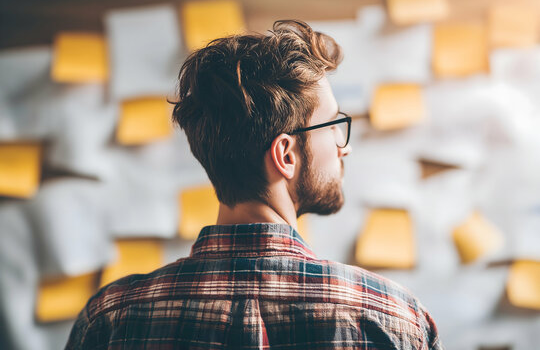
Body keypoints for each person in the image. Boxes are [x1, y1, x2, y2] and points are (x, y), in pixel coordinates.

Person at [66, 20, 442, 349]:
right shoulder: (392, 318)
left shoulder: (110, 319)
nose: (344, 150)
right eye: (333, 127)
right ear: (286, 155)